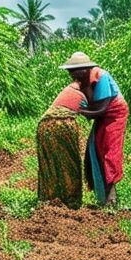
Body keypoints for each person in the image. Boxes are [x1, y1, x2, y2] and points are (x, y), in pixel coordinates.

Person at [62, 51, 128, 208]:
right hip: (101, 115)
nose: (72, 75)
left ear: (85, 69)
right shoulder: (82, 82)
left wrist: (79, 111)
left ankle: (111, 198)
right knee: (96, 150)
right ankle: (102, 195)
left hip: (114, 114)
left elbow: (102, 109)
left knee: (110, 152)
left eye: (74, 71)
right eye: (70, 72)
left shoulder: (101, 77)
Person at [37, 80, 86, 208]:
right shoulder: (84, 88)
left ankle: (49, 201)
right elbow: (92, 113)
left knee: (49, 163)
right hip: (63, 124)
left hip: (43, 125)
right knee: (70, 164)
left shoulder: (70, 88)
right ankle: (71, 202)